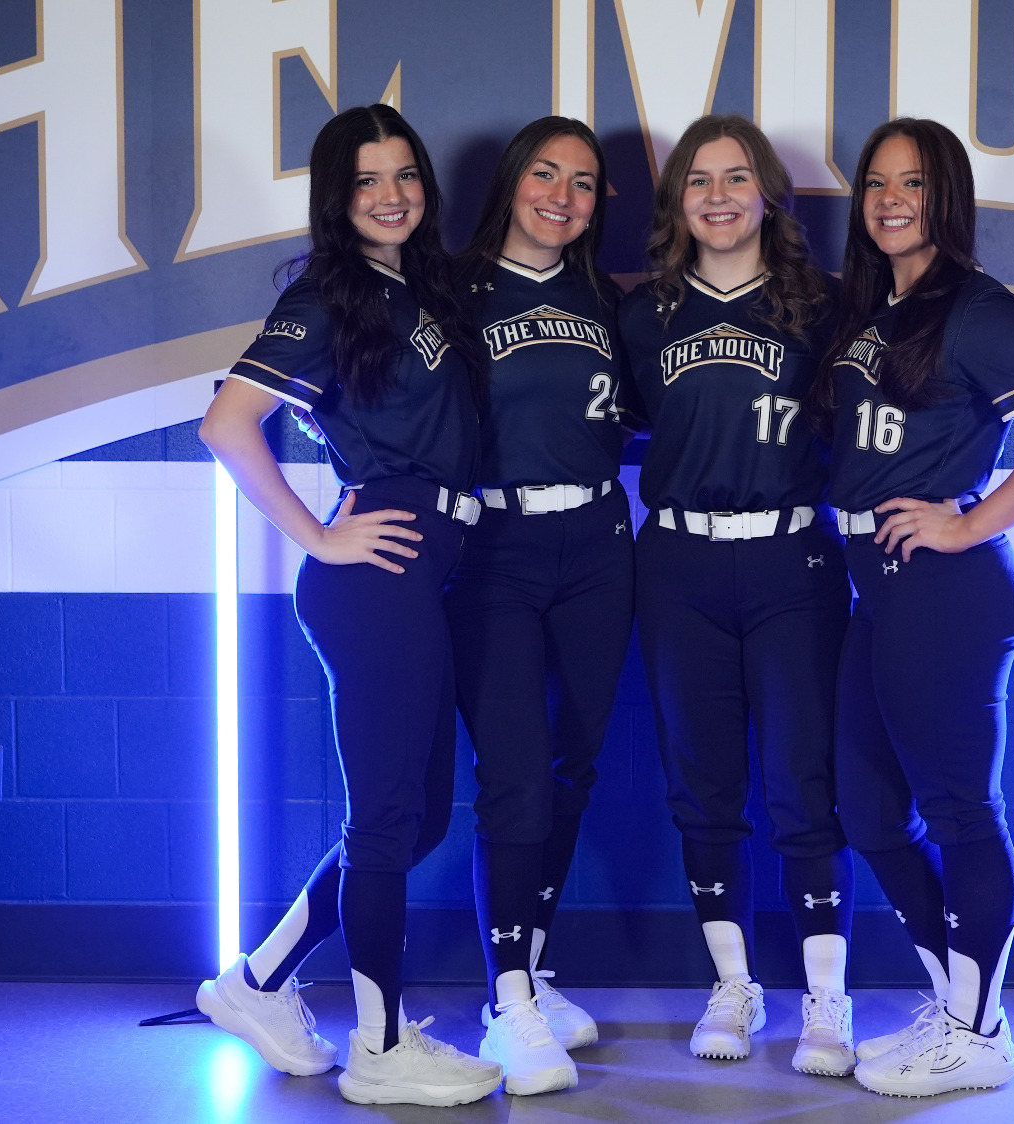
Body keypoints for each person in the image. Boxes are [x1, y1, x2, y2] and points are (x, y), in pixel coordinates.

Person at [193, 103, 504, 1108]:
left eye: (404, 173)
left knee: (412, 822)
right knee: (384, 818)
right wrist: (319, 532)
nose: (389, 194)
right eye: (366, 179)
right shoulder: (326, 299)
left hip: (433, 567)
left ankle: (257, 980)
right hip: (374, 575)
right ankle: (378, 1047)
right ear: (337, 195)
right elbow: (227, 422)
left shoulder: (428, 289)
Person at [814, 118, 1014, 1098]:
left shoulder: (976, 308)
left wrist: (969, 519)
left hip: (942, 590)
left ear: (946, 197)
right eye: (876, 182)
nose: (891, 198)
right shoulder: (868, 307)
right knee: (863, 806)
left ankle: (975, 1032)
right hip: (875, 586)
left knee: (956, 811)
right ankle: (963, 1005)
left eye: (913, 182)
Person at [615, 114, 857, 1076]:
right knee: (703, 786)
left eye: (736, 177)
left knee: (804, 783)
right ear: (677, 200)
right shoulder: (642, 315)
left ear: (767, 194)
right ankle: (733, 984)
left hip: (792, 560)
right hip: (677, 563)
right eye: (697, 181)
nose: (717, 197)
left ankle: (825, 999)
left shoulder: (823, 306)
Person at [444, 116, 632, 1096]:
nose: (562, 195)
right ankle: (504, 999)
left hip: (599, 544)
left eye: (586, 182)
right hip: (496, 547)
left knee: (571, 767)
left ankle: (531, 968)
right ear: (512, 180)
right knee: (513, 775)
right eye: (545, 174)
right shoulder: (451, 289)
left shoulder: (610, 298)